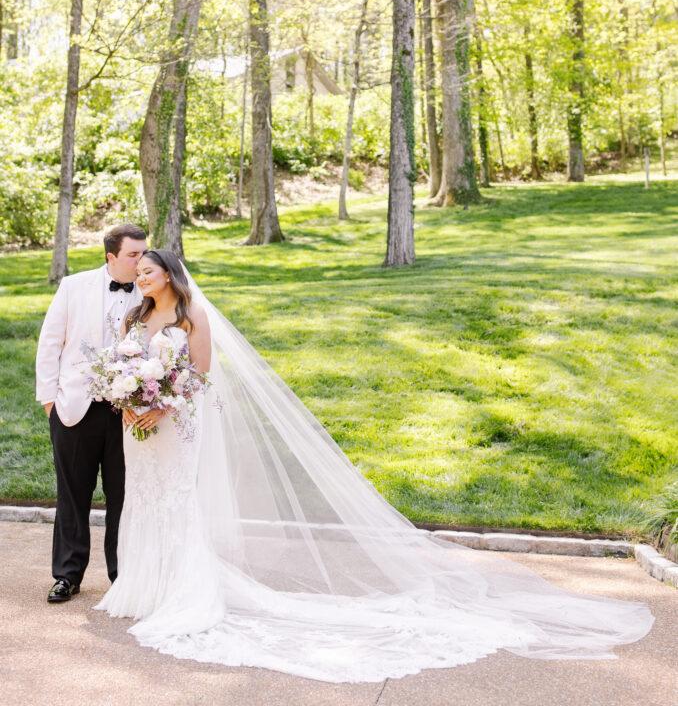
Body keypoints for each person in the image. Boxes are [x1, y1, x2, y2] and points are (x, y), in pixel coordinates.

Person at [94, 248, 654, 684]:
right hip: (140, 430)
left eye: (149, 270)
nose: (141, 278)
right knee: (141, 500)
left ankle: (181, 593)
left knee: (176, 501)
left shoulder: (192, 318)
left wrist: (162, 403)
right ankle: (142, 590)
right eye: (136, 271)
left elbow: (200, 374)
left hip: (177, 424)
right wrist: (132, 404)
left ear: (169, 273)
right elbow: (126, 372)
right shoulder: (131, 320)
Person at [35, 223, 147, 603]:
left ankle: (122, 577)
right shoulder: (74, 286)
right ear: (111, 257)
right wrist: (50, 402)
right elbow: (49, 343)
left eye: (143, 253)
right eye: (133, 255)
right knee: (72, 494)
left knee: (123, 495)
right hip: (73, 409)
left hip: (127, 413)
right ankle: (67, 575)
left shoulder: (151, 291)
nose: (140, 261)